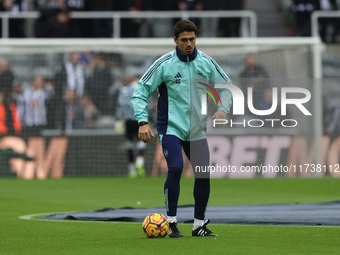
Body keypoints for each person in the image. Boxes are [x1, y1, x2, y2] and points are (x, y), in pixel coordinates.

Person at [131, 20, 232, 237]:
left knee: (203, 175)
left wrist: (223, 109)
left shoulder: (206, 62)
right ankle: (171, 222)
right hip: (171, 128)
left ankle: (198, 226)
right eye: (184, 40)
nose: (189, 44)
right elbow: (140, 90)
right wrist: (142, 121)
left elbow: (227, 88)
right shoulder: (164, 64)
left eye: (192, 39)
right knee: (175, 168)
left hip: (197, 131)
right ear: (175, 40)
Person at [117, 74, 146, 178]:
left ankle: (131, 170)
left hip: (128, 120)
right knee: (142, 141)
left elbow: (120, 104)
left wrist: (120, 118)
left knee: (129, 143)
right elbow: (147, 103)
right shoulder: (142, 87)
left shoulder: (124, 90)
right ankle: (139, 159)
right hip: (139, 120)